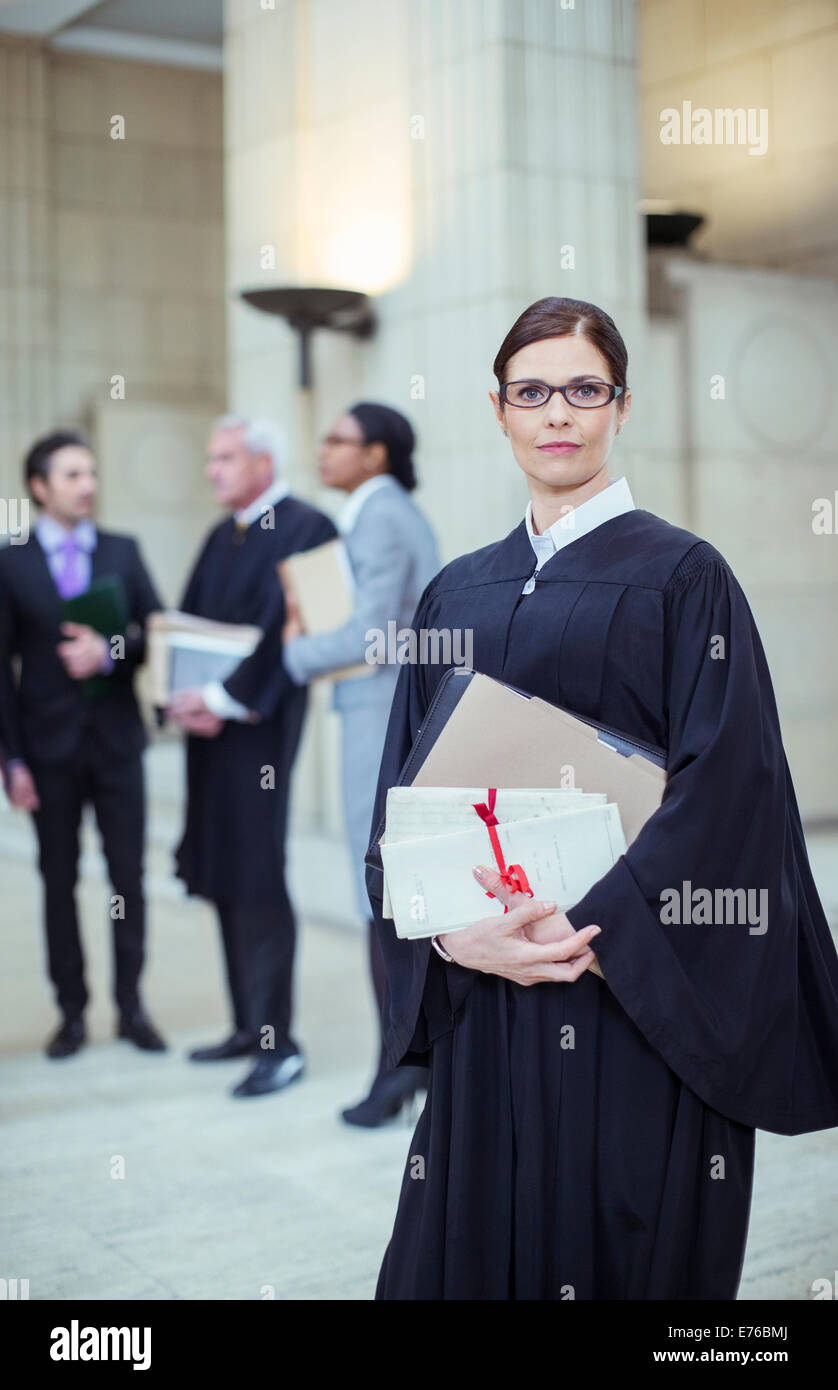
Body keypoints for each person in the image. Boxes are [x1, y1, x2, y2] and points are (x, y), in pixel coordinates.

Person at [365, 296, 838, 1300]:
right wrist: (454, 936)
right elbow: (401, 790)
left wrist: (576, 923)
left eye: (584, 389)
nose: (558, 413)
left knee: (621, 1241)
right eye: (531, 391)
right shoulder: (456, 589)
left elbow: (732, 795)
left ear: (620, 405)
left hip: (630, 993)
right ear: (498, 409)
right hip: (487, 992)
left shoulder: (683, 576)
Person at [277, 402, 440, 1127]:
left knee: (382, 898)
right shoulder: (385, 512)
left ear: (376, 454)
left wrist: (293, 651)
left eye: (337, 440)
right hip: (382, 717)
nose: (323, 451)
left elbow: (373, 636)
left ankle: (398, 1071)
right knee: (391, 899)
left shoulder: (379, 514)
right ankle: (410, 1065)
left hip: (382, 723)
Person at [169, 416, 336, 1099]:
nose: (212, 470)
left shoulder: (312, 529)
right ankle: (247, 1026)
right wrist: (178, 694)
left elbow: (300, 634)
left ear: (263, 462)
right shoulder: (220, 533)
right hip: (206, 732)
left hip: (259, 729)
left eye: (225, 458)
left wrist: (221, 696)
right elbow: (185, 621)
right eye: (211, 458)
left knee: (259, 874)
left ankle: (280, 1044)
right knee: (225, 870)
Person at [0, 429, 166, 1059]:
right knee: (58, 880)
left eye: (91, 473)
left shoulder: (123, 550)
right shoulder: (10, 558)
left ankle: (132, 1008)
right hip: (46, 751)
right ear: (40, 487)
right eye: (72, 475)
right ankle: (71, 1011)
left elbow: (155, 632)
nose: (87, 485)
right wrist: (11, 759)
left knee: (130, 878)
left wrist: (109, 650)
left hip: (118, 742)